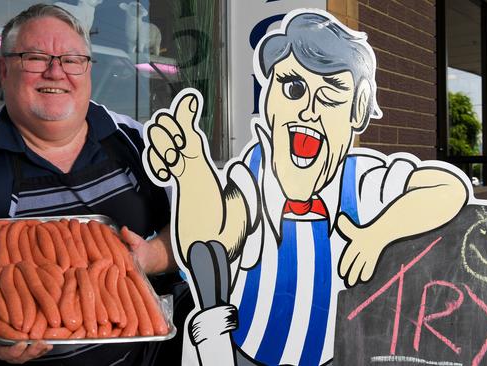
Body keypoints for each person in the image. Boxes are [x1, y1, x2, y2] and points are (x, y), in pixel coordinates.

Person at [143, 10, 469, 366]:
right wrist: (192, 172)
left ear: (357, 111)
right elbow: (210, 240)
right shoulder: (255, 175)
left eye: (331, 95)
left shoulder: (361, 183)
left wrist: (378, 233)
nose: (309, 110)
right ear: (268, 98)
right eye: (294, 88)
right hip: (245, 354)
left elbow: (448, 187)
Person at [0, 4, 187, 365]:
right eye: (35, 58)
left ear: (87, 69)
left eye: (71, 59)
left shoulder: (139, 141)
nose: (56, 72)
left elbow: (201, 226)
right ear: (4, 69)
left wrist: (151, 256)